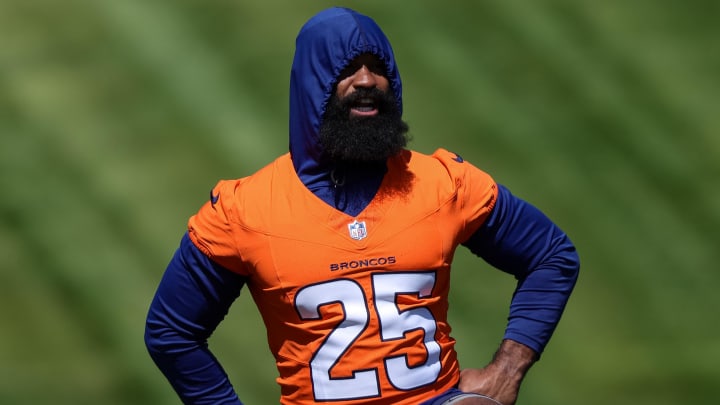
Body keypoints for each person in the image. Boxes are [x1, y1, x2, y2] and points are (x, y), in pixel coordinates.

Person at [145, 6, 579, 405]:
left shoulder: (442, 183)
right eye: (347, 69)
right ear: (314, 83)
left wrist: (507, 369)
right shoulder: (245, 210)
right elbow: (172, 332)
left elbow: (550, 255)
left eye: (378, 68)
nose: (367, 80)